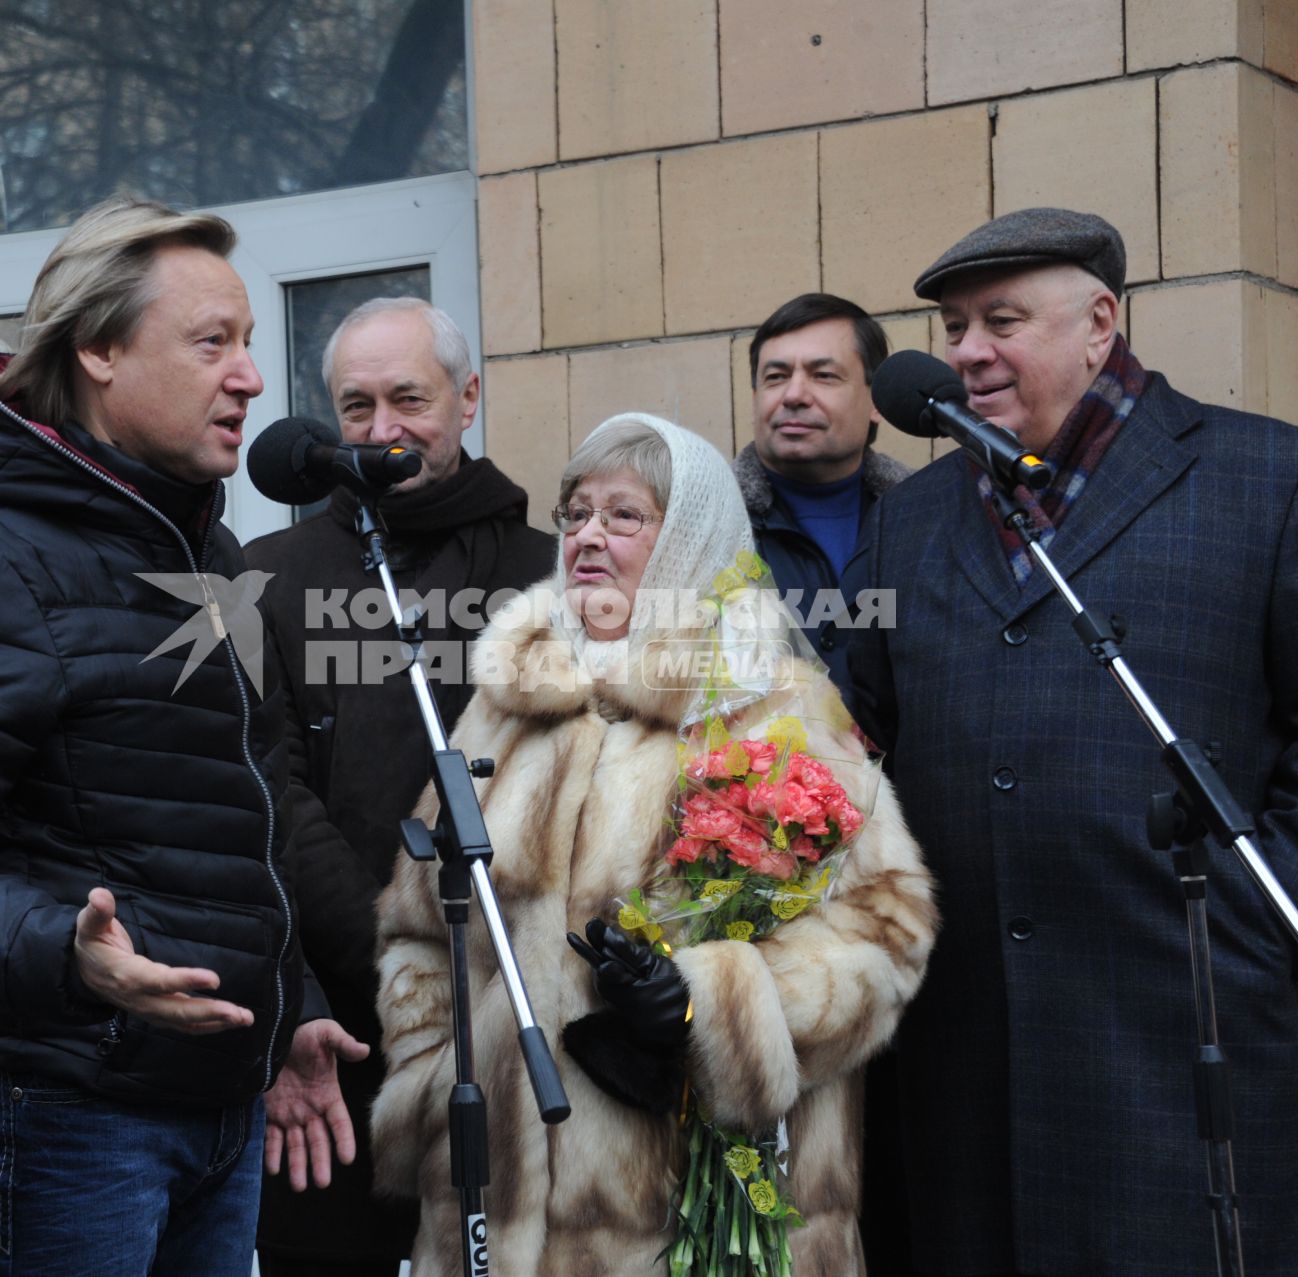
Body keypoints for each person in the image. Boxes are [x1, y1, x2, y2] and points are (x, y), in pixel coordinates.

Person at [845, 207, 1298, 1276]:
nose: (966, 350)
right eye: (954, 325)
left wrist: (1257, 932)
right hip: (959, 1075)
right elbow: (857, 735)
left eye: (1000, 320)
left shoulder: (1270, 479)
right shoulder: (911, 518)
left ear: (1100, 322)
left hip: (1181, 1055)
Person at [0, 196, 360, 1277]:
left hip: (216, 1094)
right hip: (63, 1108)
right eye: (213, 342)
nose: (252, 377)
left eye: (249, 342)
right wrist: (63, 951)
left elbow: (243, 816)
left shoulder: (203, 551)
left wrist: (287, 1011)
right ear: (99, 352)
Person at [368, 413, 936, 1275]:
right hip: (494, 1208)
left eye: (624, 516)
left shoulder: (774, 703)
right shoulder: (508, 705)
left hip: (700, 1215)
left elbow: (888, 930)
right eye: (575, 513)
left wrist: (714, 1009)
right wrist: (434, 1084)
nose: (588, 536)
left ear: (691, 539)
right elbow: (417, 924)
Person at [245, 298, 555, 1276]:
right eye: (358, 405)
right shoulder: (265, 576)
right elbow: (269, 793)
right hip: (337, 1030)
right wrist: (381, 964)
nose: (383, 431)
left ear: (468, 398)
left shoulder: (551, 574)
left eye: (409, 399)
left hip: (522, 1020)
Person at [732, 293, 909, 684]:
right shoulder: (707, 525)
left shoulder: (927, 522)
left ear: (877, 399)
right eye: (775, 377)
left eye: (824, 375)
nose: (794, 395)